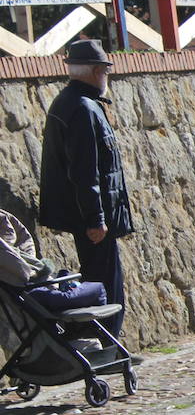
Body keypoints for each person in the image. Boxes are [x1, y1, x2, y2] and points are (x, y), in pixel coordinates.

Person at [38, 40, 134, 338]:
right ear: (95, 71)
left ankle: (104, 343)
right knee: (106, 284)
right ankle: (106, 344)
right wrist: (95, 218)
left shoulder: (77, 102)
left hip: (89, 213)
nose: (107, 75)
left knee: (103, 280)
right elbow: (84, 170)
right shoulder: (81, 107)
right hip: (91, 217)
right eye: (105, 70)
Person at [0, 210, 107, 310]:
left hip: (33, 288)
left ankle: (82, 327)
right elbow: (22, 270)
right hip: (34, 290)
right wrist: (34, 271)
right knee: (99, 289)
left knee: (76, 283)